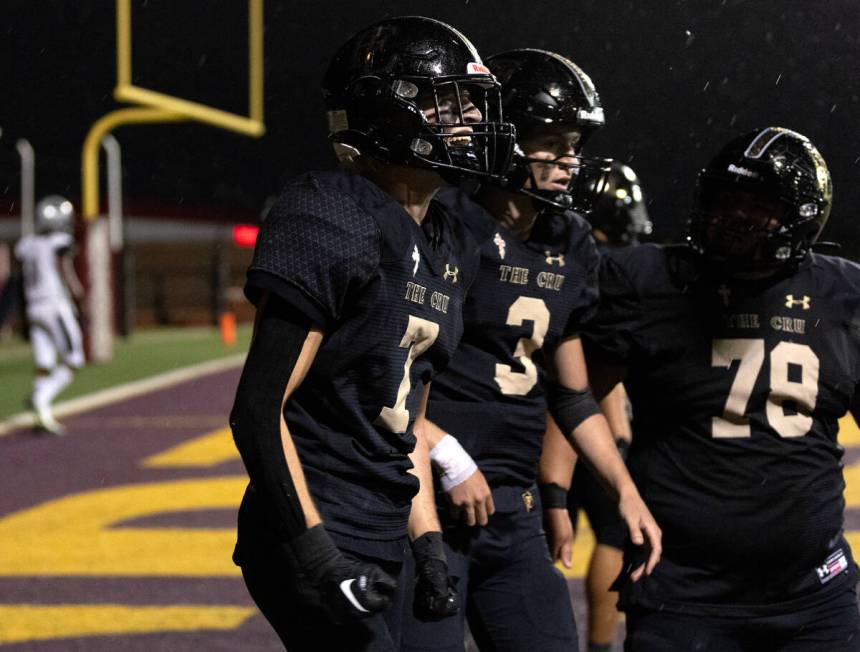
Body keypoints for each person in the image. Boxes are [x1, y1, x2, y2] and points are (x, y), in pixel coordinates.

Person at [229, 16, 515, 652]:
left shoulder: (450, 241)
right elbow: (256, 409)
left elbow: (405, 416)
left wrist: (430, 544)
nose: (467, 118)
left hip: (387, 526)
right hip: (316, 521)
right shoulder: (330, 212)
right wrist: (316, 553)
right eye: (447, 102)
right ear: (391, 110)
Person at [400, 49, 661, 652]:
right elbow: (389, 376)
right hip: (428, 503)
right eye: (553, 142)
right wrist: (444, 452)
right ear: (505, 138)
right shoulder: (444, 224)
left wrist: (621, 492)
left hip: (510, 511)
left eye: (574, 144)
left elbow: (572, 396)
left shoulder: (568, 239)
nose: (569, 161)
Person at [582, 127, 860, 651]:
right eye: (725, 200)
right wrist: (587, 489)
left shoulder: (843, 295)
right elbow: (576, 395)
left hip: (814, 597)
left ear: (800, 216)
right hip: (684, 596)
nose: (732, 217)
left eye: (756, 206)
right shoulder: (654, 281)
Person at [540, 161, 652, 652]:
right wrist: (617, 428)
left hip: (533, 416)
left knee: (544, 529)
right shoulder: (609, 267)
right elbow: (595, 362)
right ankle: (602, 646)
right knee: (613, 533)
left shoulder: (551, 250)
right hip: (579, 418)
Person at [14, 195, 85, 435]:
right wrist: (78, 295)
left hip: (33, 308)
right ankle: (40, 397)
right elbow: (65, 270)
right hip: (54, 306)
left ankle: (42, 414)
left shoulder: (28, 244)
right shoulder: (60, 241)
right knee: (74, 359)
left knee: (44, 363)